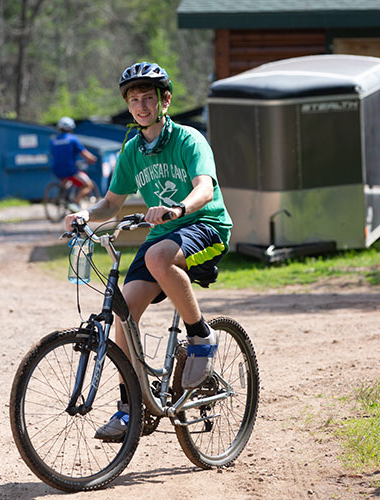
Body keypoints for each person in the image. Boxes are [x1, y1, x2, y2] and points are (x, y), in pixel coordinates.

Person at [65, 62, 232, 441]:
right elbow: (109, 203)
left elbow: (205, 188)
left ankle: (201, 336)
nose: (140, 106)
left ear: (164, 100)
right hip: (164, 234)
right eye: (134, 99)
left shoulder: (188, 140)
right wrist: (85, 214)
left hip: (205, 226)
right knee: (123, 314)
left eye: (148, 98)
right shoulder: (132, 151)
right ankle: (130, 407)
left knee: (157, 257)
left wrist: (178, 209)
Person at [50, 116, 98, 207]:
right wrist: (93, 159)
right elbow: (84, 153)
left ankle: (62, 195)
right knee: (88, 185)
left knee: (65, 179)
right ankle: (75, 203)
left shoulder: (53, 140)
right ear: (71, 128)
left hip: (57, 170)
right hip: (70, 170)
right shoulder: (72, 139)